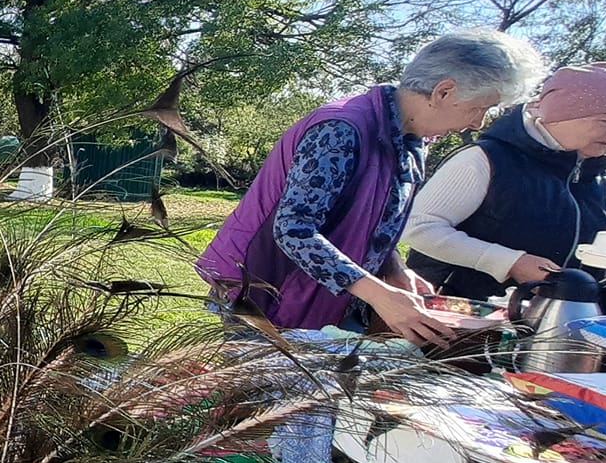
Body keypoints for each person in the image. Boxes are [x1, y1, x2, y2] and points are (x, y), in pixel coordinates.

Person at [195, 29, 544, 345]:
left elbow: (373, 224)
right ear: (444, 91)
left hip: (319, 298)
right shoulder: (341, 129)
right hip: (264, 292)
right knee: (258, 408)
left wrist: (395, 271)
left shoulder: (411, 141)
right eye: (478, 108)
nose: (476, 123)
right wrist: (378, 295)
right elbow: (294, 230)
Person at [404, 63, 606, 299]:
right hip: (463, 320)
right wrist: (511, 263)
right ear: (564, 115)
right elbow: (417, 226)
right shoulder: (487, 159)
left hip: (558, 327)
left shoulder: (598, 178)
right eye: (605, 122)